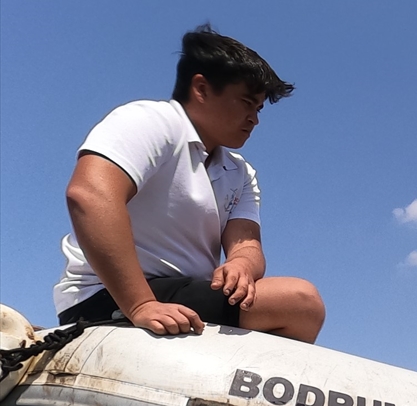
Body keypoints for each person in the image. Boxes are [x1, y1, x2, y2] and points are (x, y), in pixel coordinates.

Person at [52, 25, 325, 341]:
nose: (255, 119)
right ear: (202, 89)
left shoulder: (240, 172)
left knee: (300, 311)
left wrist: (241, 266)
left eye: (259, 108)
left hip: (184, 293)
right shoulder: (152, 121)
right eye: (247, 103)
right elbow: (89, 195)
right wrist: (140, 304)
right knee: (301, 303)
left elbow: (246, 243)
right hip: (106, 295)